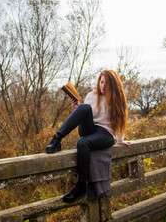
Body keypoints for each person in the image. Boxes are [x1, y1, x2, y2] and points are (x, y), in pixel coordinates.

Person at [45, 70, 130, 203]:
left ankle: (81, 185)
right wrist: (77, 108)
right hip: (90, 129)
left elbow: (120, 121)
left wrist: (120, 140)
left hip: (105, 134)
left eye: (106, 84)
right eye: (101, 82)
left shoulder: (116, 99)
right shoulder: (91, 95)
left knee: (83, 143)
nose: (103, 86)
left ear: (112, 85)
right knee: (84, 108)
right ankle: (56, 140)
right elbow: (88, 115)